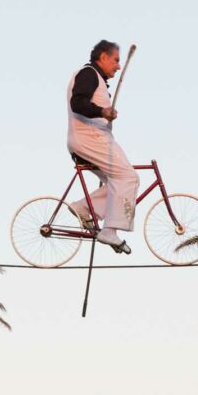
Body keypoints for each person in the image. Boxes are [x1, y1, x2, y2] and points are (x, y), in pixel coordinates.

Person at [67, 39, 139, 255]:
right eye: (116, 60)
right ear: (103, 57)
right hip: (91, 139)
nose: (118, 66)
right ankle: (109, 230)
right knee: (129, 178)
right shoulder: (88, 74)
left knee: (119, 183)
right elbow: (77, 103)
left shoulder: (94, 78)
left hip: (88, 140)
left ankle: (84, 209)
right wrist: (102, 112)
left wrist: (103, 113)